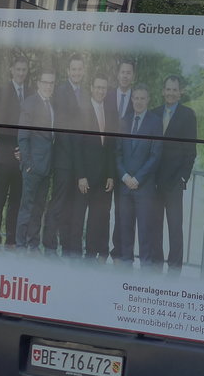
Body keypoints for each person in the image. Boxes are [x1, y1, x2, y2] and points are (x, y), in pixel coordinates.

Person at [150, 74, 198, 274]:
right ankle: (155, 265)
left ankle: (175, 269)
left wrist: (183, 177)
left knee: (175, 227)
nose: (170, 93)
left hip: (175, 181)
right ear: (163, 91)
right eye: (167, 89)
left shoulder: (188, 115)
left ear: (180, 92)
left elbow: (191, 150)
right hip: (154, 180)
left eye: (174, 89)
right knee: (155, 226)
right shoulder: (154, 113)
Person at [45, 54, 88, 256]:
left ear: (83, 71)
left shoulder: (85, 94)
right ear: (68, 71)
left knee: (69, 206)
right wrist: (78, 167)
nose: (77, 72)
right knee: (58, 203)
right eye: (74, 69)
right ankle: (50, 245)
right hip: (64, 159)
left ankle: (66, 246)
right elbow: (65, 131)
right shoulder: (62, 92)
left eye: (80, 69)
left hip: (77, 160)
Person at [115, 83, 162, 267]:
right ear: (132, 99)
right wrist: (125, 177)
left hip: (144, 188)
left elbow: (155, 155)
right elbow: (117, 153)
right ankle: (126, 266)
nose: (139, 102)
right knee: (125, 230)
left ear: (148, 100)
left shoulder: (155, 122)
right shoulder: (124, 120)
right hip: (125, 186)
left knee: (145, 232)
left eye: (143, 98)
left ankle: (145, 271)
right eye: (136, 98)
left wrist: (138, 178)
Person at [71, 73, 117, 261]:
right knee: (78, 216)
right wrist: (81, 175)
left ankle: (90, 254)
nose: (100, 91)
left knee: (96, 219)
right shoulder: (81, 110)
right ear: (91, 87)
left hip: (102, 177)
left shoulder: (110, 111)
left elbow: (111, 148)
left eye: (103, 88)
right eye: (97, 87)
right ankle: (74, 254)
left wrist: (111, 175)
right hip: (85, 176)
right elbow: (76, 146)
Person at [0, 55, 28, 248]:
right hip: (5, 156)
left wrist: (24, 148)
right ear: (12, 70)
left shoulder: (28, 94)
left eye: (24, 70)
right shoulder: (2, 91)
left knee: (16, 202)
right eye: (18, 69)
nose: (21, 73)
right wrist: (16, 145)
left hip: (21, 159)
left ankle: (11, 240)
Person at [15, 70, 57, 252]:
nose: (48, 86)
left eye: (51, 83)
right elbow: (23, 136)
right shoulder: (30, 103)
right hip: (32, 167)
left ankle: (33, 244)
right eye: (45, 82)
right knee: (27, 207)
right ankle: (21, 244)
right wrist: (28, 163)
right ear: (39, 83)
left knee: (39, 208)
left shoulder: (51, 105)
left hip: (46, 168)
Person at [108, 59, 136, 259]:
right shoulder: (107, 95)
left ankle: (118, 252)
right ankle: (99, 250)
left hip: (125, 164)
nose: (125, 75)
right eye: (122, 72)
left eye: (129, 73)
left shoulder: (138, 99)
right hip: (104, 161)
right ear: (117, 74)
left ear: (133, 76)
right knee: (101, 209)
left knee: (122, 212)